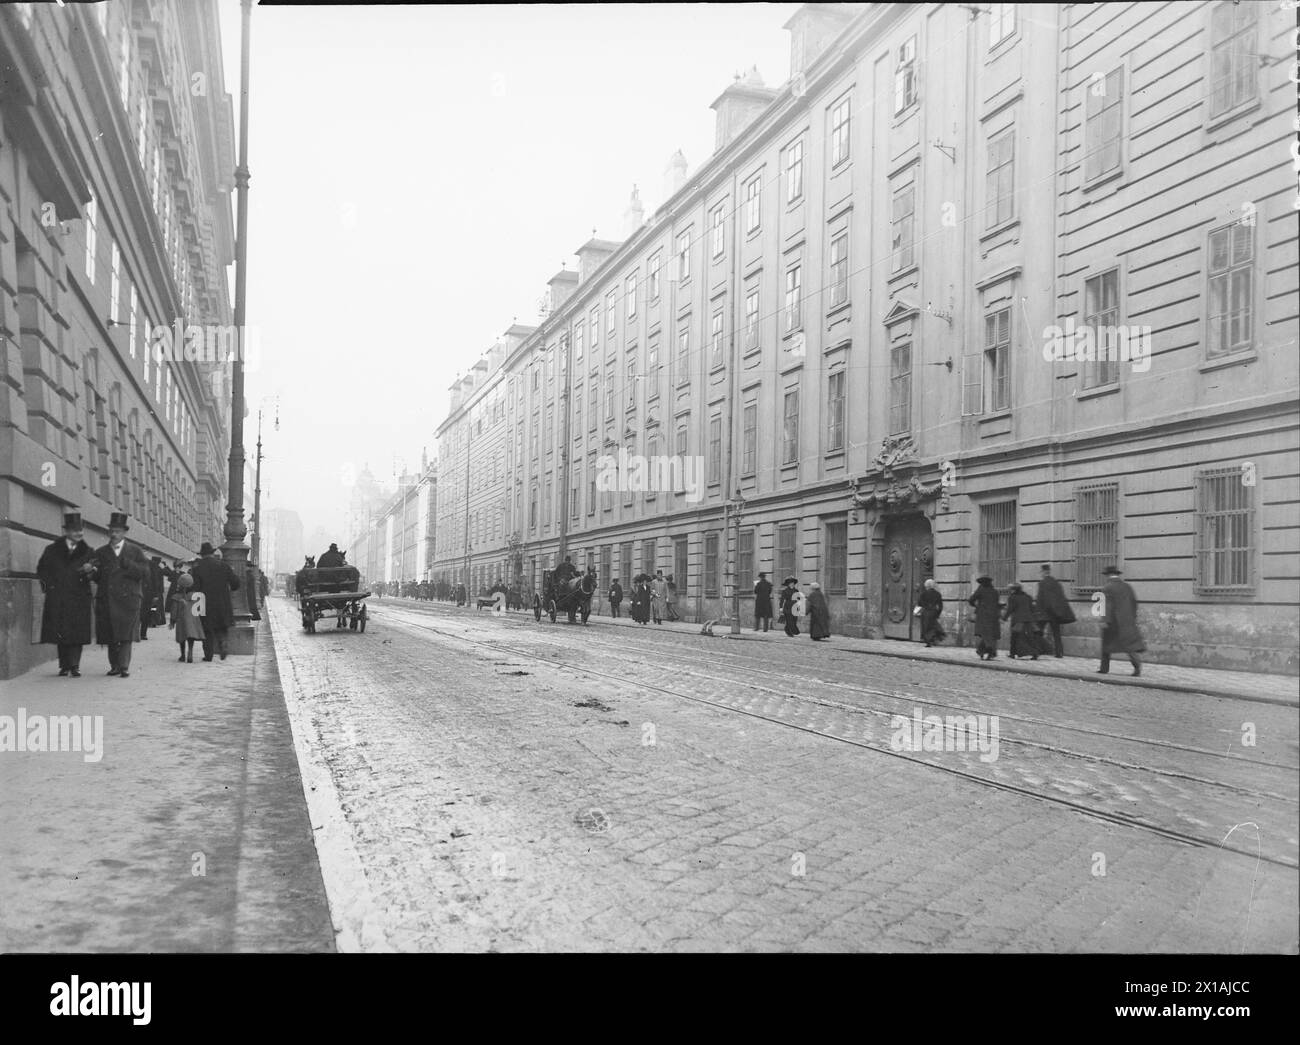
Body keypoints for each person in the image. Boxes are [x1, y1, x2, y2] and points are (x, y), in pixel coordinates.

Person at [91, 512, 149, 678]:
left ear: (124, 533)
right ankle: (114, 666)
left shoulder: (135, 551)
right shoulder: (101, 552)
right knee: (110, 635)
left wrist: (129, 565)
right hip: (108, 599)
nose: (114, 534)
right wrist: (91, 572)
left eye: (118, 531)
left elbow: (145, 573)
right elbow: (97, 575)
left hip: (128, 600)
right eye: (112, 531)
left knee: (125, 635)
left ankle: (123, 666)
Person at [36, 511, 95, 677]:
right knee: (61, 632)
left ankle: (75, 665)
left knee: (77, 633)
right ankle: (64, 665)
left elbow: (97, 573)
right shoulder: (52, 550)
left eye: (81, 530)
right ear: (67, 532)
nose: (79, 533)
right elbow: (41, 570)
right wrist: (50, 588)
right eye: (75, 530)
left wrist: (90, 571)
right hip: (59, 597)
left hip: (79, 598)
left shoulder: (88, 551)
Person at [191, 541, 241, 661]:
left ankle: (208, 655)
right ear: (212, 553)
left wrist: (195, 607)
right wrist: (230, 588)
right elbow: (235, 583)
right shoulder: (224, 566)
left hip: (204, 602)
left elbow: (195, 588)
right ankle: (223, 643)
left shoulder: (197, 568)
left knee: (206, 629)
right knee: (221, 626)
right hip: (222, 602)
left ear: (202, 555)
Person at [1098, 565, 1144, 677]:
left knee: (1106, 644)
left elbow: (1107, 606)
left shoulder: (1107, 588)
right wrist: (1132, 617)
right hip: (1127, 621)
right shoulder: (1127, 586)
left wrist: (1104, 620)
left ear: (1108, 575)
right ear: (1117, 574)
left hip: (1113, 622)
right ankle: (1137, 665)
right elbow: (1134, 603)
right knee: (1129, 646)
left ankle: (1104, 669)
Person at [1035, 564, 1075, 658]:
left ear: (1044, 572)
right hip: (1055, 613)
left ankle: (1037, 651)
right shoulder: (1056, 583)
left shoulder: (1042, 583)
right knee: (1056, 634)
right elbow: (1061, 598)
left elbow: (1040, 599)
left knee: (1037, 632)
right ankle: (1059, 652)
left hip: (1045, 613)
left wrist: (1037, 611)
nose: (1040, 574)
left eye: (1041, 572)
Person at [169, 573, 204, 663]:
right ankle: (190, 652)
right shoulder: (196, 596)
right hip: (193, 619)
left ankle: (183, 655)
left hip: (181, 620)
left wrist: (172, 621)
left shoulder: (177, 597)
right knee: (190, 637)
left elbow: (174, 610)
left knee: (182, 637)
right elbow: (201, 609)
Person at [968, 575, 1001, 660]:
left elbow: (971, 600)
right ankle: (982, 651)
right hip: (994, 615)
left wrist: (975, 606)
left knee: (985, 634)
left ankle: (988, 649)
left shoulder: (981, 590)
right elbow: (997, 603)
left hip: (983, 615)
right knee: (990, 634)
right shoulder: (995, 591)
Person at [1002, 581, 1038, 659]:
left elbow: (1010, 609)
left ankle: (1012, 654)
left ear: (1014, 590)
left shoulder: (1012, 598)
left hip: (1018, 621)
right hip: (1029, 620)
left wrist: (1004, 618)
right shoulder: (1028, 597)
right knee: (1030, 637)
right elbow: (1032, 609)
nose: (1010, 591)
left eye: (1011, 590)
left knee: (1014, 637)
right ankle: (1035, 653)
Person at [918, 578, 945, 647]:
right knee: (933, 626)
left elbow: (920, 603)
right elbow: (940, 606)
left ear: (926, 586)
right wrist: (938, 613)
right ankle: (933, 640)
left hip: (926, 612)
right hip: (933, 612)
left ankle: (928, 642)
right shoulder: (938, 594)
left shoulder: (923, 594)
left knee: (926, 627)